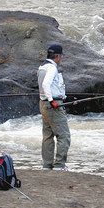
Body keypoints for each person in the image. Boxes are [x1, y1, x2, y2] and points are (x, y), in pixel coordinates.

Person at [37, 43, 70, 171]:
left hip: (43, 104)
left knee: (48, 135)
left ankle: (47, 165)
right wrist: (52, 101)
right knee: (64, 136)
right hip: (53, 105)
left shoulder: (42, 67)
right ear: (57, 56)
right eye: (61, 56)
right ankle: (59, 166)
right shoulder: (52, 68)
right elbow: (46, 85)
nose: (61, 58)